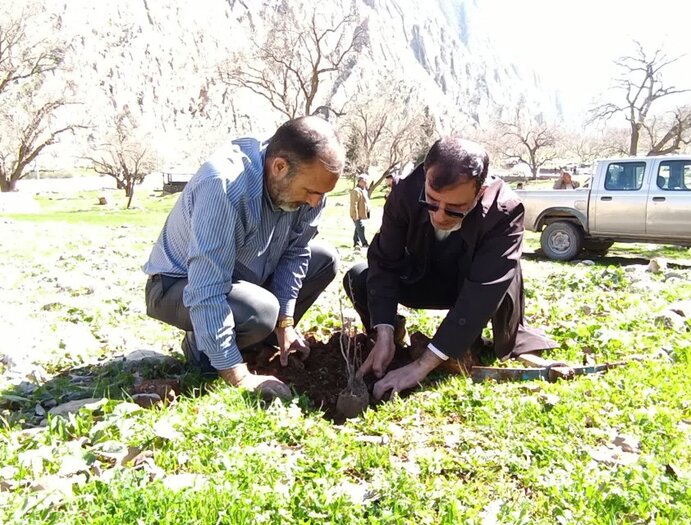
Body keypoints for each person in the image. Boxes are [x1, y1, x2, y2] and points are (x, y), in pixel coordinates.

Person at [144, 116, 345, 400]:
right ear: (279, 167)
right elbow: (206, 288)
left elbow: (295, 252)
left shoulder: (311, 187)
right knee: (261, 310)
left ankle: (251, 337)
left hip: (243, 275)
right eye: (311, 192)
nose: (315, 202)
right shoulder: (224, 185)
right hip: (178, 284)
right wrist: (239, 377)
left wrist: (285, 324)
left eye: (322, 194)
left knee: (324, 259)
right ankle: (203, 350)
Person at [343, 137, 556, 399]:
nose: (440, 216)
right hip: (421, 280)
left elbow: (482, 294)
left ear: (479, 192)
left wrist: (421, 366)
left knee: (506, 273)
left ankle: (473, 342)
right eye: (432, 202)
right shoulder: (405, 193)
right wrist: (383, 329)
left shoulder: (505, 211)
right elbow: (384, 261)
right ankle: (392, 337)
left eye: (455, 209)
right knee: (358, 277)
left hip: (470, 287)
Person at [350, 174, 371, 248]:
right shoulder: (356, 191)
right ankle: (364, 243)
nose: (365, 182)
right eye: (364, 181)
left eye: (366, 181)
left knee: (358, 228)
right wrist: (355, 215)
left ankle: (356, 243)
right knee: (361, 227)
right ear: (359, 182)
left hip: (361, 214)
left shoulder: (363, 190)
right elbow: (354, 204)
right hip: (356, 214)